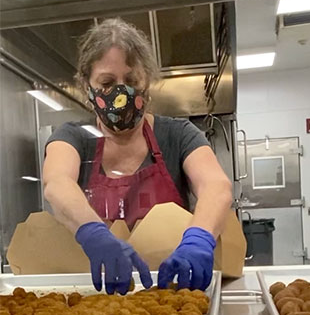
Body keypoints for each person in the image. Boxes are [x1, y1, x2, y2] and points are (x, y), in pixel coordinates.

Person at [43, 18, 233, 294]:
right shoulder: (73, 138)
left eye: (131, 80)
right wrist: (93, 232)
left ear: (147, 83)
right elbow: (57, 184)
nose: (122, 92)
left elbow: (216, 186)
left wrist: (199, 237)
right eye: (107, 82)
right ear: (88, 87)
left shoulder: (178, 134)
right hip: (94, 295)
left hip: (173, 290)